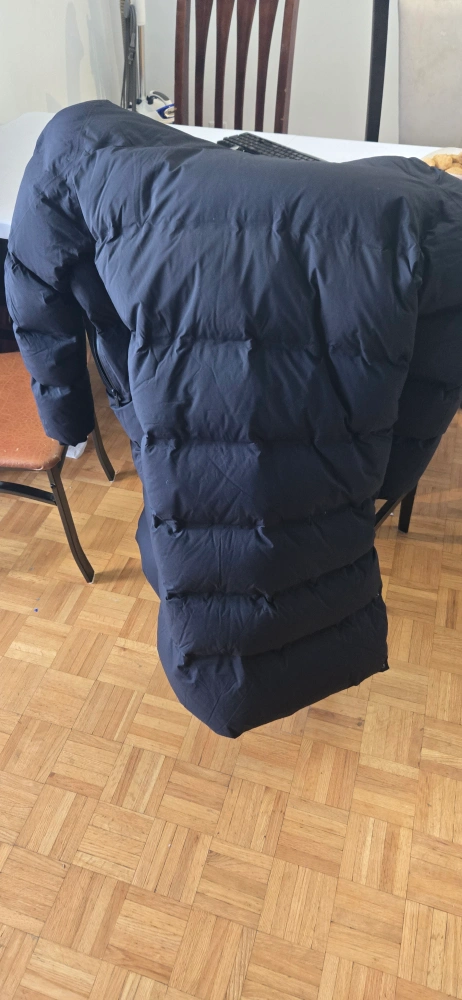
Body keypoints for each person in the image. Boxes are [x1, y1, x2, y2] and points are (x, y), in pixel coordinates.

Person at [5, 100, 462, 737]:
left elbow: (33, 290)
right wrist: (386, 476)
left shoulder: (69, 152)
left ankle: (217, 669)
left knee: (196, 526)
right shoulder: (434, 210)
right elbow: (438, 373)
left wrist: (68, 418)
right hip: (327, 443)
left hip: (162, 397)